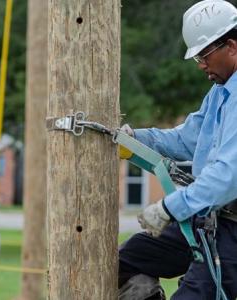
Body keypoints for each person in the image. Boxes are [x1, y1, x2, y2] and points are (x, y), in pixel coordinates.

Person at [119, 1, 237, 299]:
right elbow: (188, 139)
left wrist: (170, 208)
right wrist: (135, 139)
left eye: (203, 54)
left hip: (232, 233)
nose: (200, 64)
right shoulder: (220, 93)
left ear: (232, 47)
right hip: (209, 219)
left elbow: (228, 175)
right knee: (123, 262)